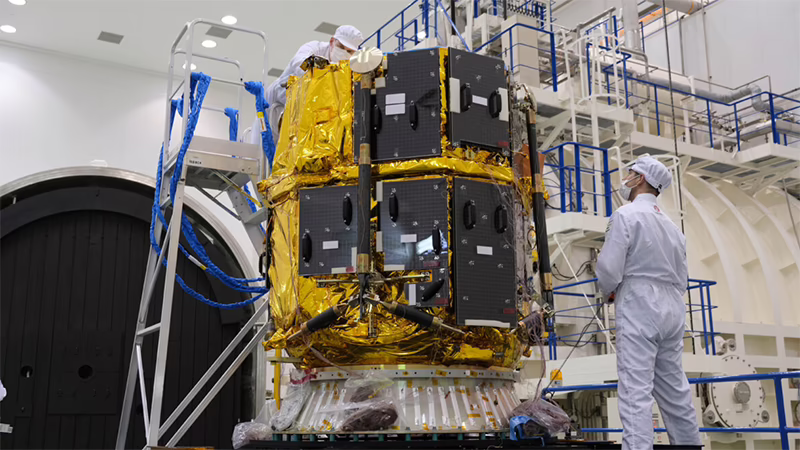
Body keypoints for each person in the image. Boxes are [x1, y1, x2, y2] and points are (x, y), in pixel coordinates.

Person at [596, 156, 701, 450]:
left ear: (641, 178)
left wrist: (609, 291)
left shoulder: (625, 215)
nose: (626, 177)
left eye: (631, 173)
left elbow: (608, 269)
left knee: (635, 389)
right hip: (672, 307)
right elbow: (682, 278)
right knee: (674, 390)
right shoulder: (673, 227)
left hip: (639, 302)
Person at [265, 25, 363, 143]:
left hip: (303, 111)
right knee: (266, 141)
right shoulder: (315, 48)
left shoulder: (350, 68)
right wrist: (320, 71)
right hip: (278, 99)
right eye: (341, 47)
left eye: (349, 51)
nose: (344, 53)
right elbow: (298, 62)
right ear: (332, 41)